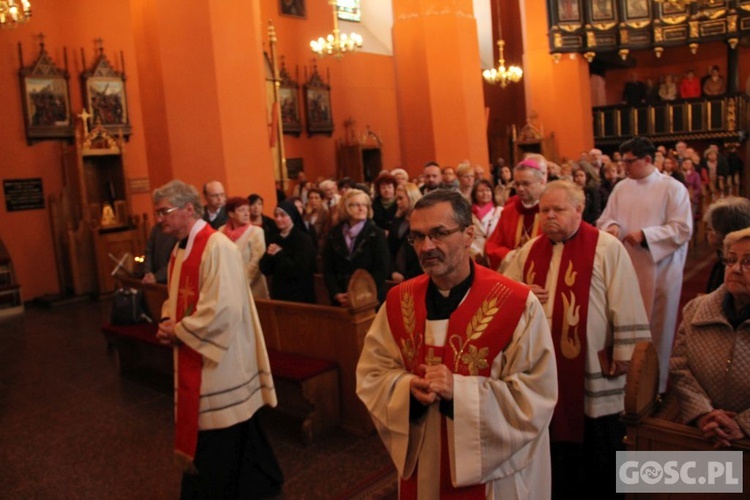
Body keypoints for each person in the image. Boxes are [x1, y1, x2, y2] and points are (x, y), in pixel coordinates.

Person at [356, 189, 558, 498]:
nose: (426, 247)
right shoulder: (398, 301)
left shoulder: (516, 303)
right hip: (425, 463)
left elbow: (537, 393)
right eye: (418, 237)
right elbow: (372, 373)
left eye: (439, 234)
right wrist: (405, 389)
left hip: (493, 478)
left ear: (468, 235)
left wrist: (459, 393)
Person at [504, 181, 651, 498]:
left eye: (558, 209)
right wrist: (522, 293)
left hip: (593, 369)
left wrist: (626, 353)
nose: (550, 216)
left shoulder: (606, 248)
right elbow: (503, 295)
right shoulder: (529, 250)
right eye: (545, 210)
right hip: (544, 368)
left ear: (579, 210)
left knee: (599, 442)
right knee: (553, 444)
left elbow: (625, 301)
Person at [153, 180, 282, 497]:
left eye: (164, 212)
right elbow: (175, 296)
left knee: (221, 429)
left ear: (187, 209)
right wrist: (168, 319)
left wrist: (180, 330)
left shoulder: (218, 246)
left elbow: (223, 308)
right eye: (158, 213)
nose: (160, 219)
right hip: (198, 348)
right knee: (237, 429)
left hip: (220, 357)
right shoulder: (179, 249)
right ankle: (261, 480)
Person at [597, 137, 693, 392]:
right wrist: (612, 226)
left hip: (658, 269)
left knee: (656, 329)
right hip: (627, 267)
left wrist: (646, 235)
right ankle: (627, 384)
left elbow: (682, 229)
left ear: (648, 160)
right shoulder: (621, 188)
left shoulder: (672, 188)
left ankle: (656, 387)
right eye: (623, 161)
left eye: (629, 161)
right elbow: (606, 218)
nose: (624, 167)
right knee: (626, 323)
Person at [669, 227, 750, 448]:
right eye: (731, 260)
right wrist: (704, 413)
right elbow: (679, 367)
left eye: (748, 262)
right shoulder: (696, 309)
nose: (736, 269)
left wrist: (742, 425)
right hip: (701, 430)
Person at [323, 189, 390, 306]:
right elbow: (328, 268)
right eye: (356, 205)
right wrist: (336, 293)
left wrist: (358, 293)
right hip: (341, 296)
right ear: (345, 207)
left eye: (365, 205)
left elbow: (382, 268)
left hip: (369, 297)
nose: (361, 208)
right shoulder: (334, 233)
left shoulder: (376, 233)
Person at [485, 157, 547, 272]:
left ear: (542, 182)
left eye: (526, 184)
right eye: (517, 184)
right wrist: (511, 255)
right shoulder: (508, 212)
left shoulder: (550, 211)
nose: (520, 189)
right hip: (514, 274)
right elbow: (492, 246)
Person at [259, 200, 317, 304]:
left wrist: (279, 254)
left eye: (283, 215)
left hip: (299, 294)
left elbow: (301, 269)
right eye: (276, 215)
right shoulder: (275, 238)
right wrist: (269, 255)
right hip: (279, 293)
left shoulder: (303, 239)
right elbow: (265, 269)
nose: (278, 219)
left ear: (292, 216)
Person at [219, 196, 269, 299]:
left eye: (247, 210)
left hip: (251, 286)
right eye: (241, 210)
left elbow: (256, 261)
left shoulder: (256, 232)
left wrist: (240, 283)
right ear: (231, 213)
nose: (247, 214)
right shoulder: (221, 231)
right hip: (228, 284)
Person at [703, 197, 750, 293]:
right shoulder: (721, 259)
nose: (707, 233)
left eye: (710, 229)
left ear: (723, 234)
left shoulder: (727, 266)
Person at [388, 182, 423, 283]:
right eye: (397, 199)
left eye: (401, 198)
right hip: (397, 274)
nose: (397, 202)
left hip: (416, 275)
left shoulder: (422, 221)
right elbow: (390, 248)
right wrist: (392, 271)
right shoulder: (398, 220)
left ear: (411, 197)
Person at [304, 186, 330, 251]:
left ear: (322, 200)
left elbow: (325, 237)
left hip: (319, 249)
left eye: (316, 198)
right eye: (311, 198)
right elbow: (303, 230)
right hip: (306, 247)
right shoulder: (306, 213)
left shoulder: (326, 214)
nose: (313, 200)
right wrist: (307, 215)